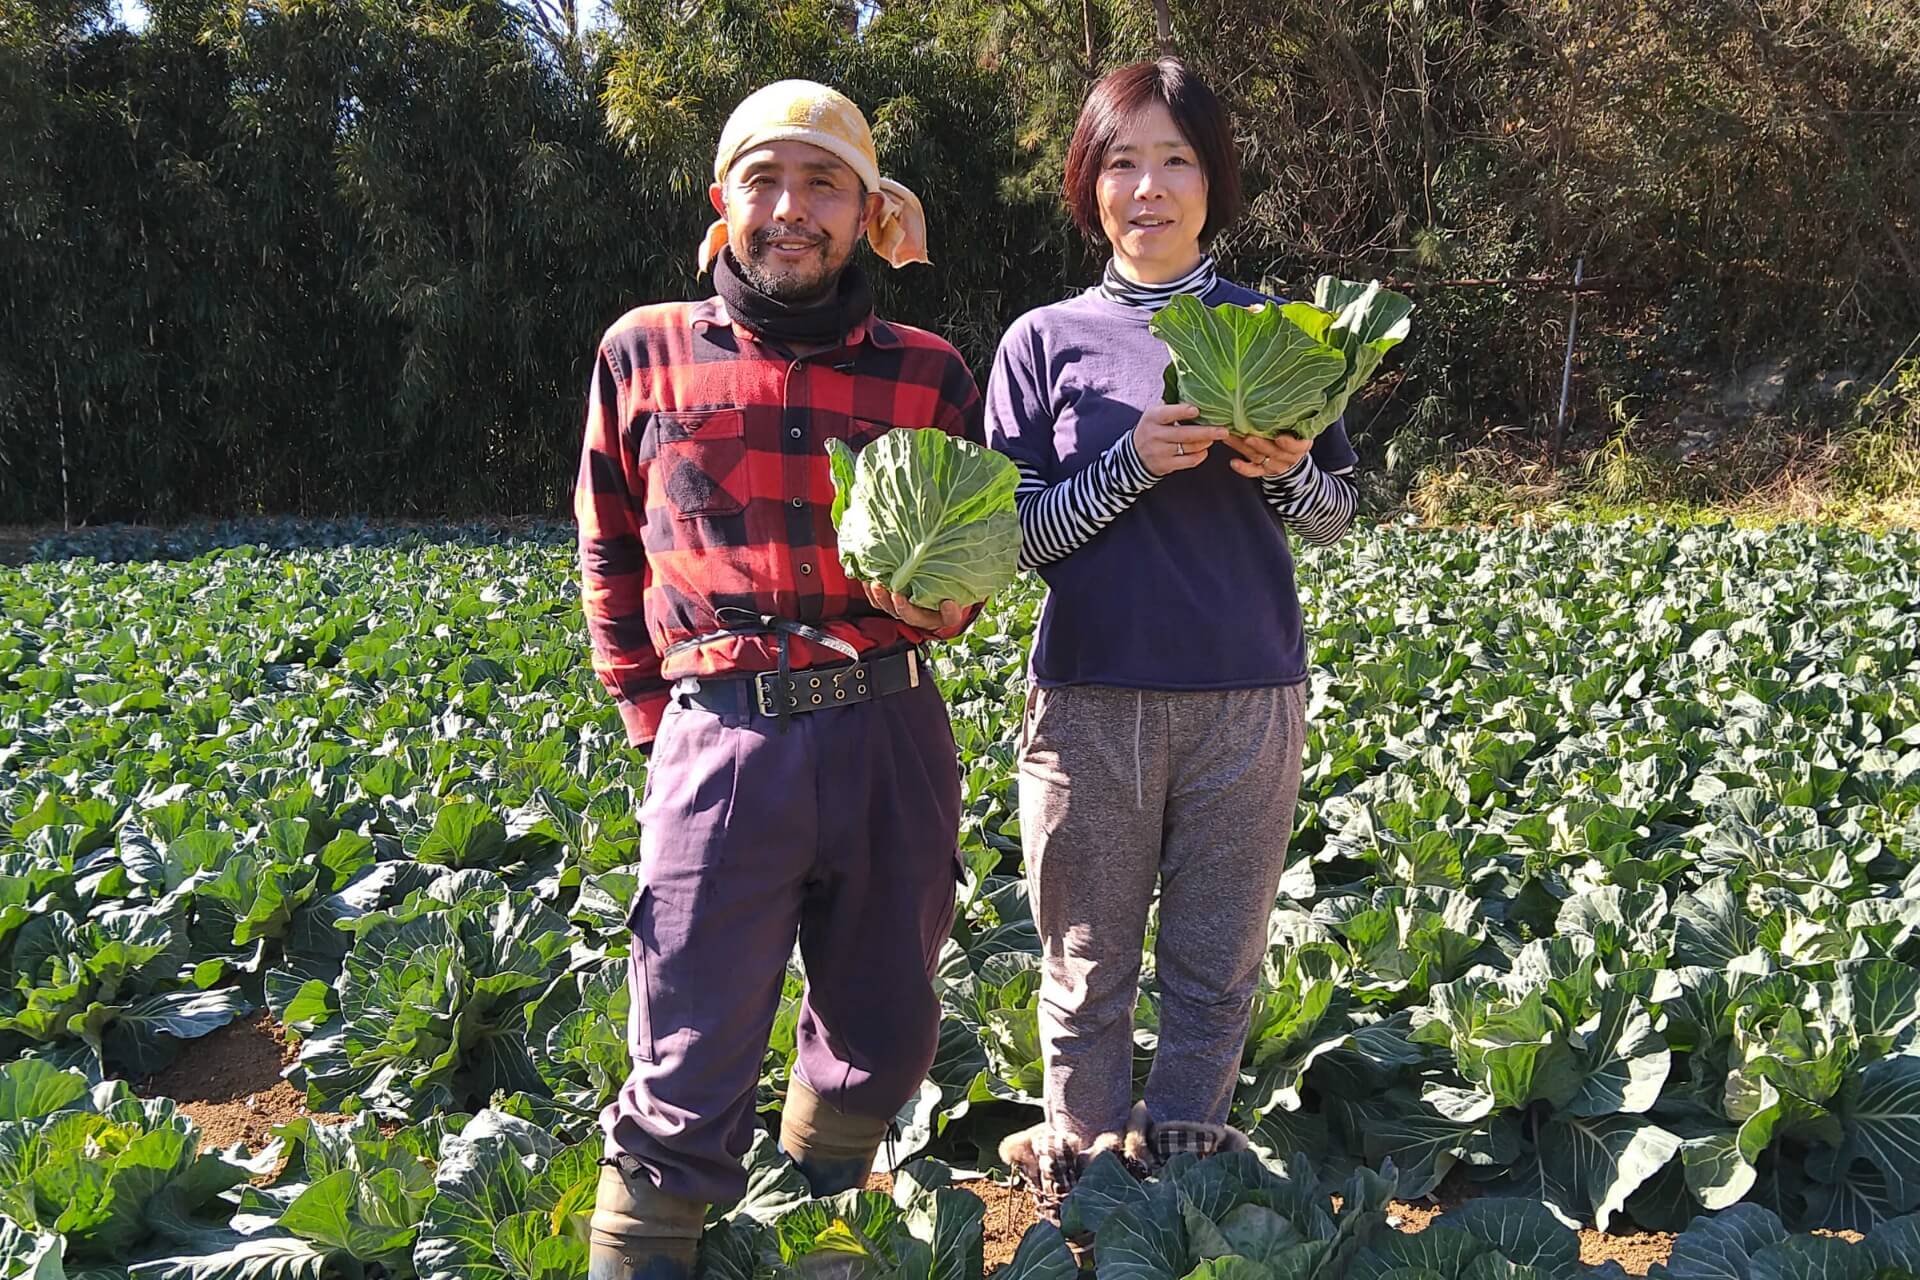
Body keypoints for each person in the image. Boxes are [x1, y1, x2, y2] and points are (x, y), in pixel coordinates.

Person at [574, 79, 984, 1280]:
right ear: (725, 201)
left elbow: (971, 548)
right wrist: (655, 719)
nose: (791, 208)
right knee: (686, 1038)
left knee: (885, 1023)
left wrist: (944, 604)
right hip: (720, 731)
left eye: (824, 185)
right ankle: (642, 1252)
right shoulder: (642, 350)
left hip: (888, 727)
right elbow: (607, 542)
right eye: (766, 180)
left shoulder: (928, 372)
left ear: (867, 211)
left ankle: (811, 1216)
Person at [984, 58, 1361, 1217]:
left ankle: (1190, 1164)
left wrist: (1287, 471)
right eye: (1123, 162)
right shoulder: (1043, 341)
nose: (1148, 187)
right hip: (1090, 695)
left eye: (1177, 159)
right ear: (1088, 182)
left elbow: (1336, 518)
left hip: (1248, 692)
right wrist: (1130, 464)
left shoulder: (1281, 331)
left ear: (1214, 180)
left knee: (1215, 962)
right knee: (1085, 959)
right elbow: (1016, 537)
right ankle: (1086, 1176)